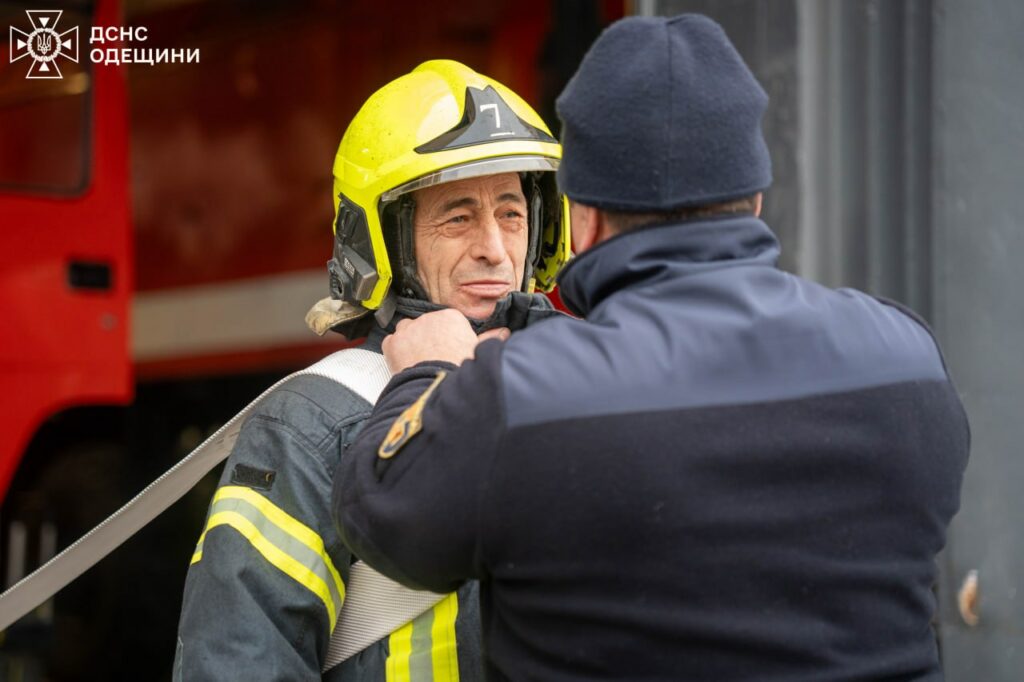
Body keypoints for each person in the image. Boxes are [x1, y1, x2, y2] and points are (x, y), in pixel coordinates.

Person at [333, 15, 971, 682]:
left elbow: (381, 517)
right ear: (753, 198)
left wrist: (430, 370)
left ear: (582, 219)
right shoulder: (908, 361)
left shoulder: (518, 398)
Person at [173, 60, 570, 681]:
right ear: (383, 240)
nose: (495, 246)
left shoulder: (589, 389)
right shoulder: (312, 426)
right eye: (458, 216)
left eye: (512, 213)